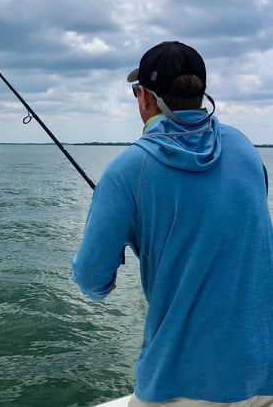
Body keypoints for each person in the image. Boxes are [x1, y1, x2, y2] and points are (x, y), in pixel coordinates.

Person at [72, 41, 273, 406]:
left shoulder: (127, 170)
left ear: (146, 98)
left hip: (185, 382)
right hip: (264, 371)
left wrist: (107, 278)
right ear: (200, 95)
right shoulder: (244, 147)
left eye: (137, 91)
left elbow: (91, 278)